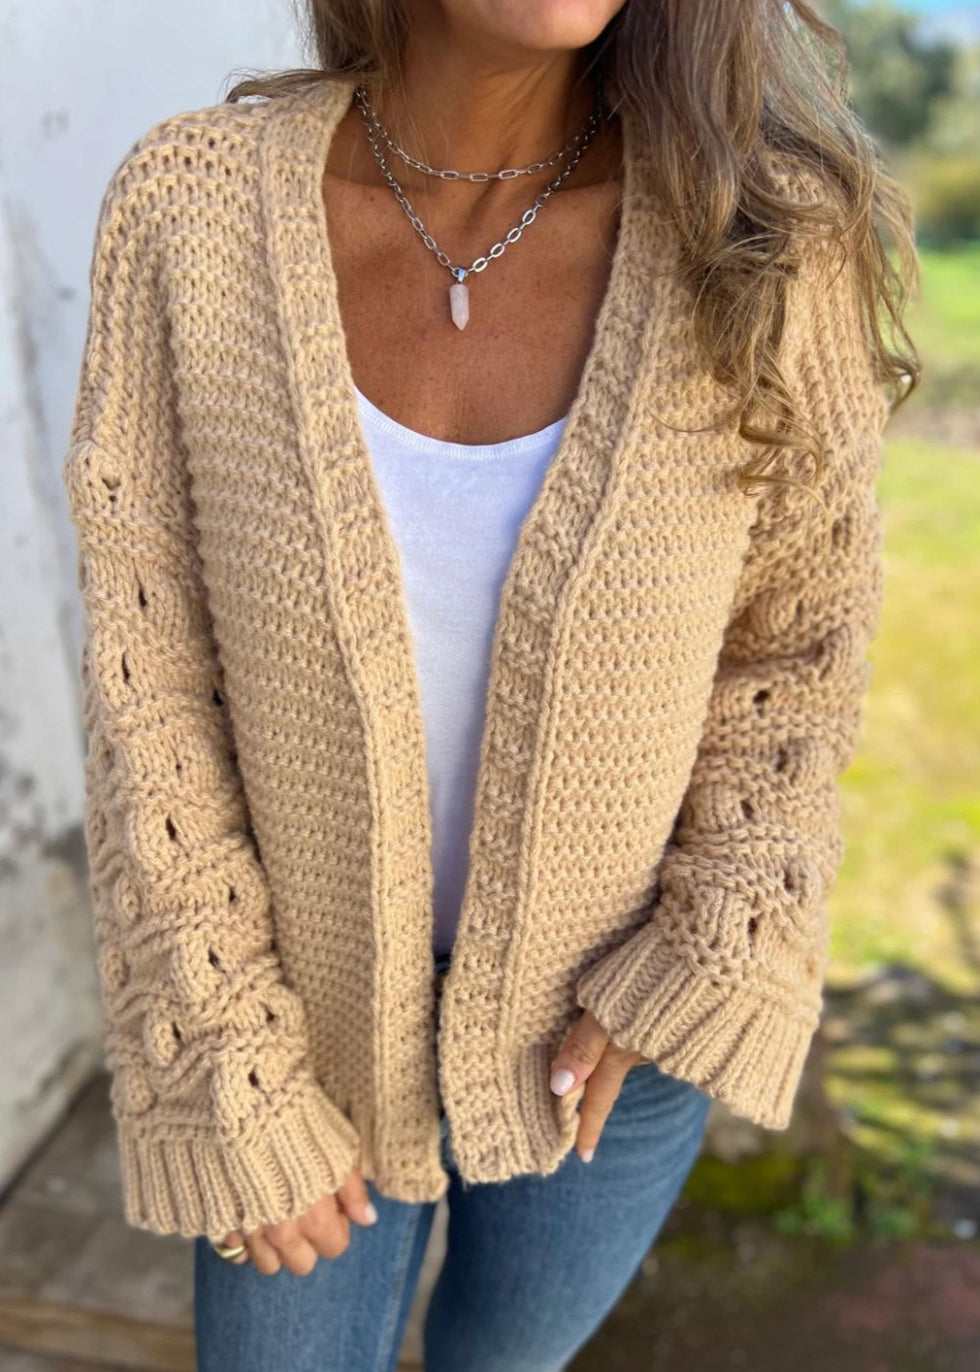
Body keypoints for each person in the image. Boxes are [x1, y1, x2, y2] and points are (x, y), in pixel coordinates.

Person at [62, 1, 919, 1368]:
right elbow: (147, 684)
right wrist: (227, 1061)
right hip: (295, 1034)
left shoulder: (760, 236)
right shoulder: (190, 212)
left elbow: (796, 655)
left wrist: (701, 952)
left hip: (613, 1036)